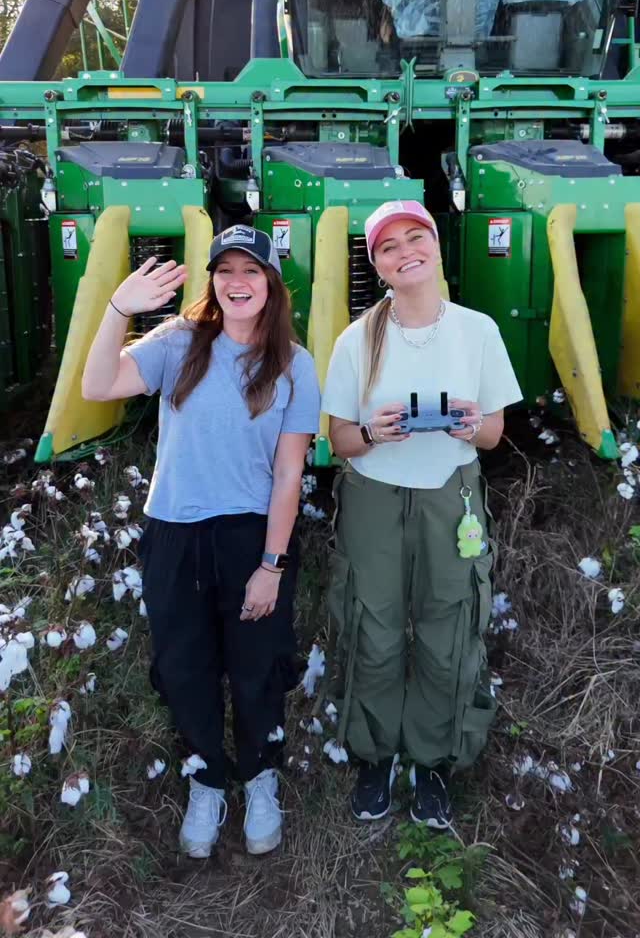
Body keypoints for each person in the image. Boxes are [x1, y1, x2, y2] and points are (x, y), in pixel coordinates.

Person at [82, 225, 320, 858]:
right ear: (212, 281)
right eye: (224, 271)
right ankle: (206, 777)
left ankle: (259, 773)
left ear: (271, 283)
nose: (236, 282)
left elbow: (290, 471)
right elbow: (97, 386)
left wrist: (272, 562)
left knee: (256, 663)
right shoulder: (179, 342)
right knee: (185, 665)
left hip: (252, 536)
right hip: (176, 534)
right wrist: (117, 311)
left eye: (250, 271)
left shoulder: (296, 364)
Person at [321, 199, 522, 828]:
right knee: (373, 630)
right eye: (389, 246)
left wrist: (470, 421)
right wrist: (374, 434)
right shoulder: (357, 339)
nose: (406, 252)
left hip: (449, 494)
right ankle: (376, 755)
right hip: (374, 498)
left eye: (416, 238)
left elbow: (492, 434)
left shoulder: (478, 330)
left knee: (449, 626)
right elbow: (339, 441)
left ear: (436, 246)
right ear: (377, 264)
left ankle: (434, 760)